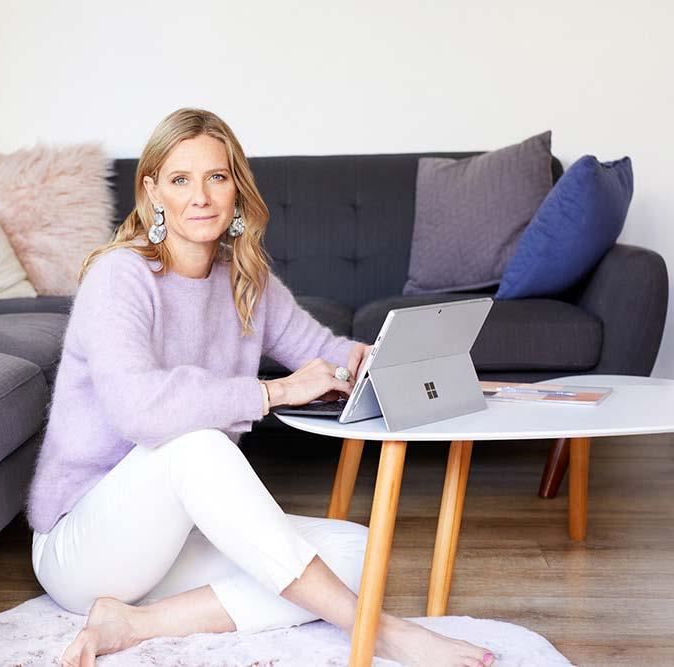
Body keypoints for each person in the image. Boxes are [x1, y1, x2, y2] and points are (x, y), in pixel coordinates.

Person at [26, 108, 496, 667]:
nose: (201, 197)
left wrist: (373, 361)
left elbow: (320, 349)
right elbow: (138, 410)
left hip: (174, 538)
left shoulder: (245, 279)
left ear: (236, 187)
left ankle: (136, 623)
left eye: (216, 177)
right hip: (84, 545)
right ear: (153, 192)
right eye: (180, 180)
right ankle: (382, 633)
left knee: (356, 552)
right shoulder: (119, 276)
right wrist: (272, 393)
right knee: (197, 445)